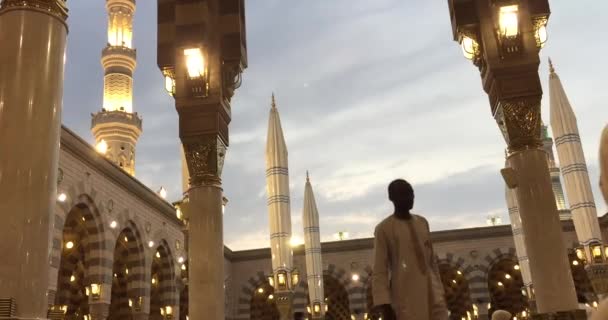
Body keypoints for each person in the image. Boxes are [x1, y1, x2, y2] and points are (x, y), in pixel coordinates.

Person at [372, 179, 448, 320]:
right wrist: (385, 305)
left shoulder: (422, 222)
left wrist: (440, 291)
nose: (409, 197)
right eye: (403, 194)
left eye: (411, 193)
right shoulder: (384, 229)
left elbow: (432, 262)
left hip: (433, 292)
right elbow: (379, 270)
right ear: (391, 198)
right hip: (405, 296)